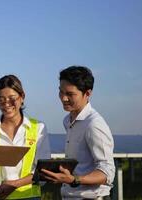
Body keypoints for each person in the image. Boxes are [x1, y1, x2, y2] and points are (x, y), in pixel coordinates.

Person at [41, 66, 115, 200]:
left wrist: (74, 179)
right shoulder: (67, 120)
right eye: (61, 92)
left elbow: (107, 172)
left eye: (70, 94)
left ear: (87, 93)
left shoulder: (94, 124)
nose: (63, 98)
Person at [0, 75, 51, 200]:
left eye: (11, 98)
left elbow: (44, 170)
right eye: (1, 99)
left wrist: (15, 184)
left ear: (22, 97)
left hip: (30, 196)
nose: (6, 104)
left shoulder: (39, 128)